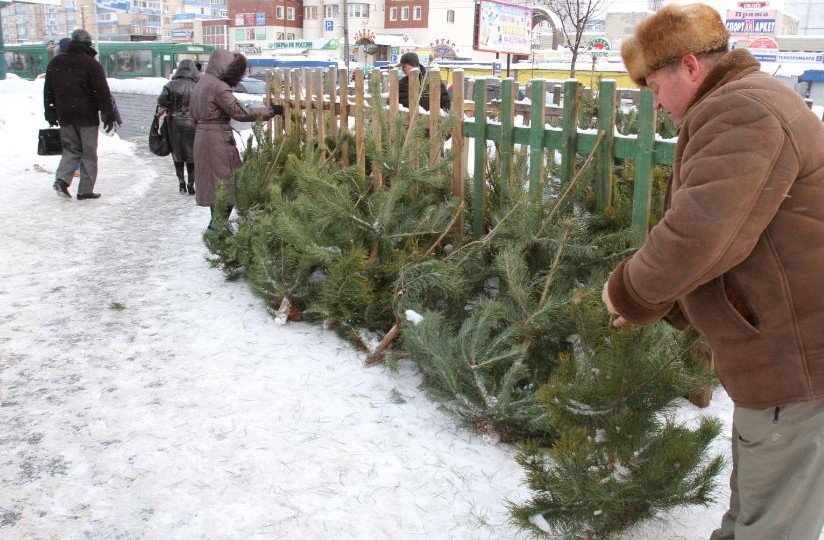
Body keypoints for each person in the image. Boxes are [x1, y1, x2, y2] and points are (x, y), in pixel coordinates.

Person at [600, 4, 824, 540]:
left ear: (691, 67)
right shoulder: (740, 103)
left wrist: (627, 293)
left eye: (655, 85)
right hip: (782, 354)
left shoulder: (743, 111)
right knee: (757, 510)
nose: (654, 102)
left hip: (795, 362)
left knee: (770, 525)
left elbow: (701, 234)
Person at [189, 49, 282, 228]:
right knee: (227, 188)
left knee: (215, 187)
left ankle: (218, 230)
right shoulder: (218, 86)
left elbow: (192, 115)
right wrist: (270, 111)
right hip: (217, 141)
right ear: (227, 68)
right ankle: (216, 230)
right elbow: (240, 111)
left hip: (202, 139)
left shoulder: (201, 83)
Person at [43, 29, 116, 200]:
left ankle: (61, 180)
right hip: (87, 118)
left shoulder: (56, 62)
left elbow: (48, 91)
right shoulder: (91, 65)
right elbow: (102, 93)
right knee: (88, 153)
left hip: (65, 116)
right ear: (87, 44)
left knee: (70, 149)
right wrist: (107, 114)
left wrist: (50, 112)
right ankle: (85, 190)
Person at [156, 59, 199, 195]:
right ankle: (191, 183)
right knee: (192, 154)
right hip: (192, 123)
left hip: (174, 123)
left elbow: (162, 101)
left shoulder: (170, 85)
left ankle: (181, 181)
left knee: (177, 153)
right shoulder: (196, 86)